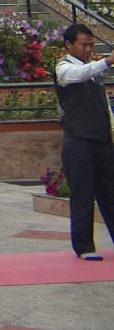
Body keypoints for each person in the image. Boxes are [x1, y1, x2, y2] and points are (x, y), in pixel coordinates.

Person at [52, 23, 114, 260]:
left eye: (90, 44)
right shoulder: (64, 68)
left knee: (110, 193)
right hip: (78, 142)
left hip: (102, 140)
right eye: (83, 44)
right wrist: (106, 62)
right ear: (69, 45)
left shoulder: (94, 72)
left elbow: (105, 108)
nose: (88, 49)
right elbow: (79, 75)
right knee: (83, 194)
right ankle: (84, 246)